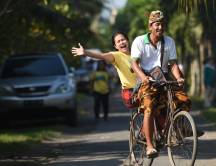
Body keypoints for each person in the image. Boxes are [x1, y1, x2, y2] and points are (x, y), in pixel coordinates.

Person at [131, 10, 193, 158]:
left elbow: (173, 64)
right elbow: (134, 64)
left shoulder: (169, 41)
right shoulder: (139, 41)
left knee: (183, 100)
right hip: (147, 81)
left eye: (162, 24)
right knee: (149, 108)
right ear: (150, 26)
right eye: (157, 24)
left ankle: (179, 130)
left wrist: (178, 77)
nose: (160, 27)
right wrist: (144, 77)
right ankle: (150, 146)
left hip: (164, 79)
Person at [71, 31, 138, 110]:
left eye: (123, 40)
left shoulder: (136, 54)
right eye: (118, 41)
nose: (121, 42)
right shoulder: (116, 55)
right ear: (115, 46)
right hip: (130, 92)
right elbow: (101, 56)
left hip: (144, 88)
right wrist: (85, 52)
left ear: (127, 41)